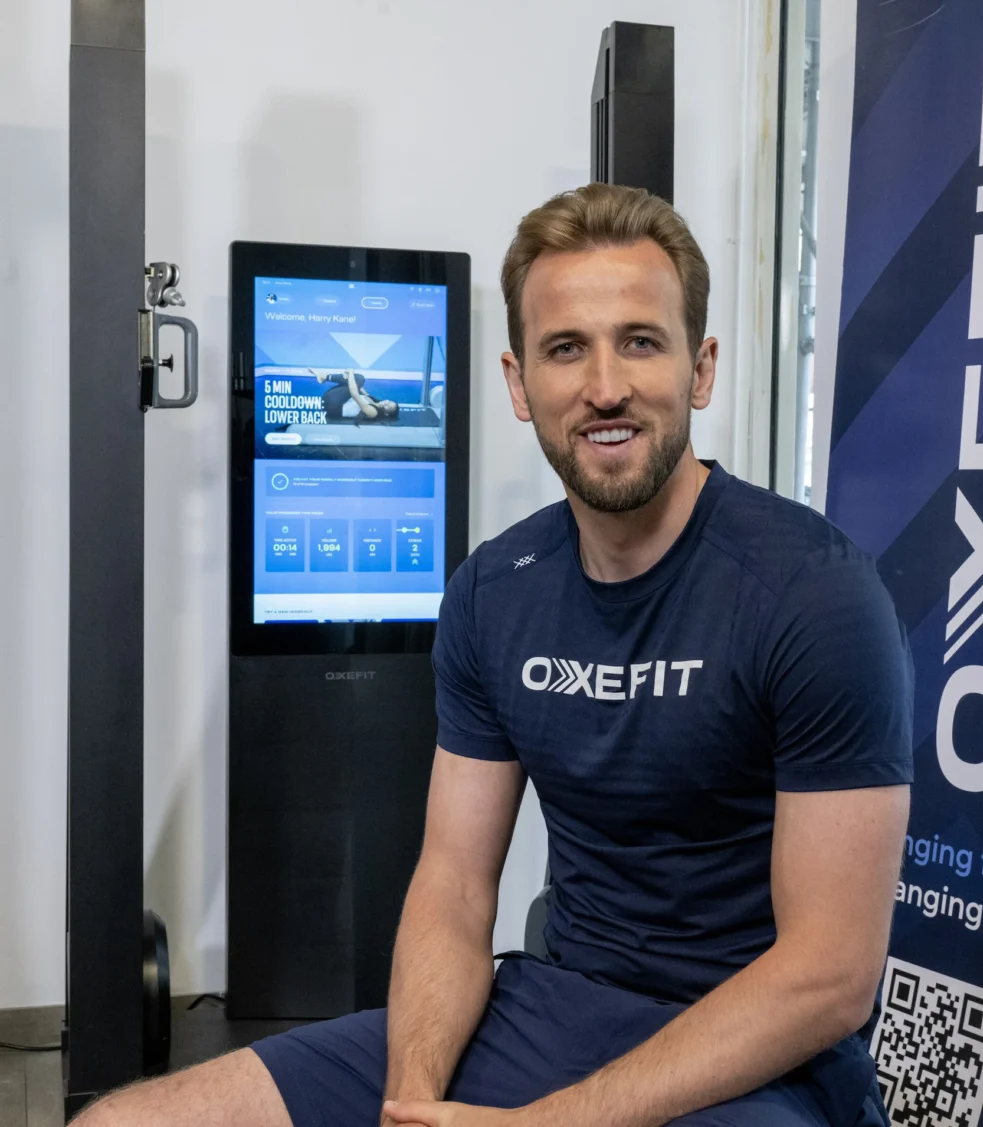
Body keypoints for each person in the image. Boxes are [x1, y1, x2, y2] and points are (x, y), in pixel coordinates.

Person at [77, 183, 913, 1127]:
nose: (606, 386)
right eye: (567, 348)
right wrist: (411, 1101)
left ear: (701, 367)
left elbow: (829, 975)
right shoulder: (493, 592)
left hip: (756, 1062)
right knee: (118, 1123)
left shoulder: (816, 594)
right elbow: (454, 885)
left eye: (641, 341)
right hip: (553, 1007)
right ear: (519, 383)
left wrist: (549, 1125)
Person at [311, 366, 401, 422]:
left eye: (388, 407)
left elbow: (354, 394)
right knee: (357, 380)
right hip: (334, 400)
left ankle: (324, 376)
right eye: (389, 402)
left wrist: (351, 373)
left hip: (333, 407)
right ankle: (323, 376)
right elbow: (359, 388)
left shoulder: (373, 412)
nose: (386, 403)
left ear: (386, 414)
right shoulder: (373, 400)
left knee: (359, 379)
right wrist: (349, 377)